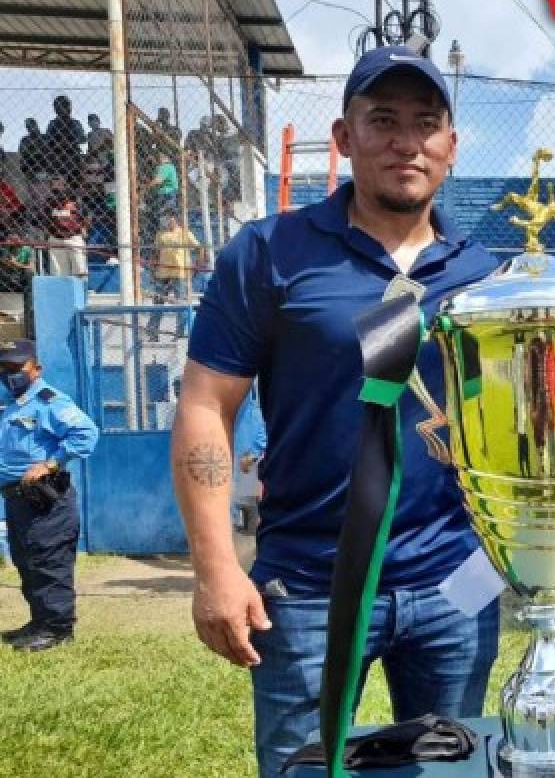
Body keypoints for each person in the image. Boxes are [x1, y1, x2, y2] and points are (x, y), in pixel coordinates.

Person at [172, 45, 500, 777]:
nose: (404, 141)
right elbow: (204, 406)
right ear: (345, 137)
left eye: (425, 122)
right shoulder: (269, 252)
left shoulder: (485, 275)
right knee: (305, 770)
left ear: (450, 145)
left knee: (449, 770)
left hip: (452, 586)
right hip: (308, 588)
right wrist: (215, 569)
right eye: (382, 119)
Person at [0, 339, 99, 653]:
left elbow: (86, 433)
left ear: (36, 369)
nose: (8, 374)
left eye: (16, 367)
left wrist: (50, 462)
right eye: (3, 368)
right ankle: (39, 622)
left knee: (48, 562)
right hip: (17, 498)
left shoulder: (49, 401)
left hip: (45, 502)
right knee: (26, 562)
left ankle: (57, 629)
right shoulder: (9, 402)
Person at [147, 211, 200, 341]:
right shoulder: (160, 234)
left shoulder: (184, 233)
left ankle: (179, 333)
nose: (166, 220)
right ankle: (153, 332)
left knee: (180, 303)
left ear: (174, 218)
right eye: (164, 218)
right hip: (162, 273)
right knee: (158, 302)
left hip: (179, 274)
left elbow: (199, 247)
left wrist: (197, 264)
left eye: (168, 217)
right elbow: (155, 252)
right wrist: (153, 269)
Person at [43, 177, 88, 278]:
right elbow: (46, 220)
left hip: (74, 237)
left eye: (61, 185)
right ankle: (61, 292)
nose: (58, 190)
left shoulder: (76, 203)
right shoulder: (49, 204)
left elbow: (86, 218)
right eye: (55, 187)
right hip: (56, 238)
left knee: (80, 269)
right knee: (58, 272)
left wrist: (83, 229)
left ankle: (81, 290)